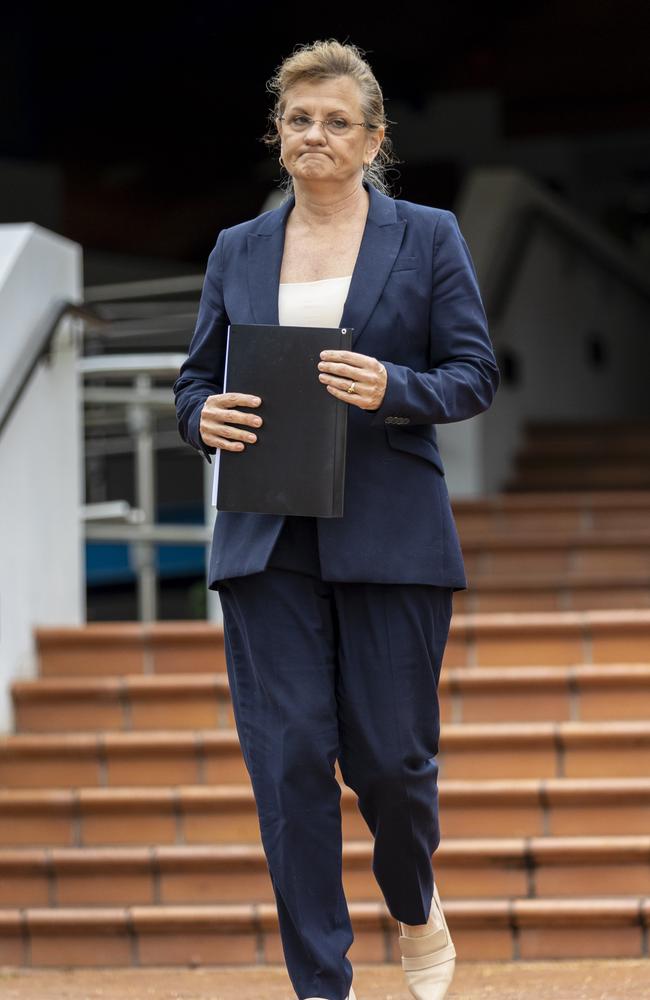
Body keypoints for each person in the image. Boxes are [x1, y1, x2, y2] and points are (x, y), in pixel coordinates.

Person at [173, 38, 500, 1000]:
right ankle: (324, 985)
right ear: (278, 134)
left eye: (336, 122)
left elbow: (473, 373)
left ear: (374, 141)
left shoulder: (430, 235)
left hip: (390, 530)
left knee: (392, 764)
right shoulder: (238, 247)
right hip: (265, 535)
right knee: (287, 764)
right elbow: (197, 378)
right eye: (298, 119)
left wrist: (392, 384)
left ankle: (412, 898)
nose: (315, 135)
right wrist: (202, 416)